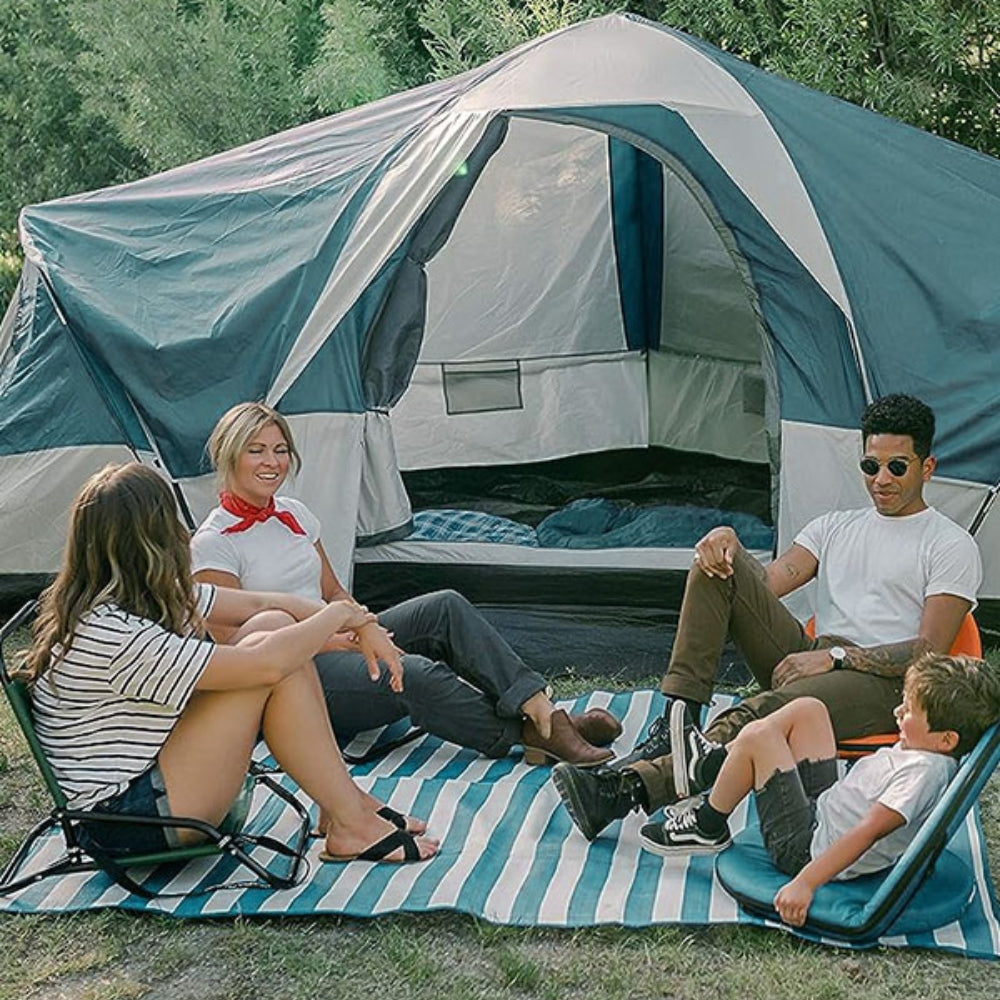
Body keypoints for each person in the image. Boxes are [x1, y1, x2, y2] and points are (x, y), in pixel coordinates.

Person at [553, 393, 983, 840]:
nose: (881, 479)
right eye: (870, 466)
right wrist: (726, 544)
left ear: (927, 468)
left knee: (762, 711)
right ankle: (679, 719)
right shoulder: (835, 527)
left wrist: (835, 657)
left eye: (898, 467)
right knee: (713, 567)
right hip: (817, 655)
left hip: (887, 682)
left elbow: (928, 650)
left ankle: (626, 790)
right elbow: (761, 585)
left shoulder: (948, 544)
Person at [23, 463, 439, 865]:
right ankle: (349, 821)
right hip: (130, 820)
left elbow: (267, 602)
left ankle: (340, 803)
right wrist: (336, 617)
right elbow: (264, 664)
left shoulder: (144, 596)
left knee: (273, 625)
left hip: (152, 781)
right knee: (277, 661)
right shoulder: (110, 633)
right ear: (158, 536)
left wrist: (357, 620)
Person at [190, 402, 619, 766]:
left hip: (338, 633)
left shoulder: (295, 515)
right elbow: (240, 652)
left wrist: (363, 626)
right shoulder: (213, 543)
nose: (273, 462)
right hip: (291, 677)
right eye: (257, 451)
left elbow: (335, 592)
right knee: (413, 673)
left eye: (281, 450)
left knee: (444, 606)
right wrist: (339, 641)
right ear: (230, 456)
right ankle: (529, 734)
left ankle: (540, 708)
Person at [639, 653, 1000, 928]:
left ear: (946, 739)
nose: (896, 711)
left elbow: (867, 832)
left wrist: (806, 883)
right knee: (810, 709)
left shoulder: (923, 773)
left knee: (760, 737)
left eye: (908, 712)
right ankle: (715, 762)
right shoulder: (928, 751)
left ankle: (708, 823)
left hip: (805, 848)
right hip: (824, 812)